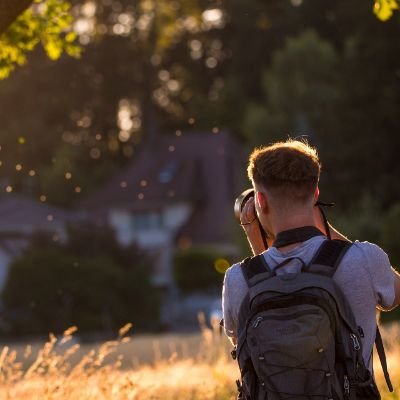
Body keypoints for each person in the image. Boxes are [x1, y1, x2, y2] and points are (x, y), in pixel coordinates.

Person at [222, 139, 400, 378]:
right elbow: (396, 294)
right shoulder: (365, 259)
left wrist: (257, 243)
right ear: (315, 194)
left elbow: (247, 348)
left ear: (260, 201)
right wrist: (325, 227)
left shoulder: (238, 278)